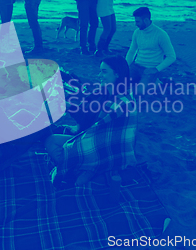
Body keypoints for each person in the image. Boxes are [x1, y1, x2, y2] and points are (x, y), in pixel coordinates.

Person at [45, 55, 138, 187]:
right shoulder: (104, 91)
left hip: (106, 146)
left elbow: (89, 124)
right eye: (100, 71)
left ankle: (83, 168)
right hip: (96, 140)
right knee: (54, 136)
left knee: (52, 141)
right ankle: (86, 168)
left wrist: (68, 106)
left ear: (117, 73)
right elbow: (87, 112)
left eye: (104, 71)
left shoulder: (121, 101)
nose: (100, 75)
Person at [125, 7, 177, 96]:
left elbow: (171, 56)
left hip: (151, 68)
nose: (135, 24)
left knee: (139, 92)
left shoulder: (161, 34)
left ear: (145, 20)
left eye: (137, 21)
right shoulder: (137, 32)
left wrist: (156, 69)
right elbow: (131, 51)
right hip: (136, 66)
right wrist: (125, 66)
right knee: (120, 85)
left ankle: (156, 83)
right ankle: (151, 82)